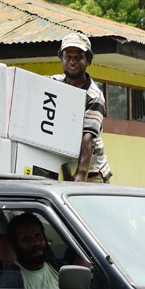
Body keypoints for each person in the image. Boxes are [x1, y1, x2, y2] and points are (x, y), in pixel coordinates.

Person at [51, 32, 112, 183]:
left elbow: (88, 138)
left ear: (88, 60)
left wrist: (80, 174)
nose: (72, 62)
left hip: (91, 172)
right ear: (61, 58)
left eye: (78, 57)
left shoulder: (94, 95)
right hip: (65, 165)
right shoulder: (53, 84)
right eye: (68, 57)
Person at [0, 213, 65, 289]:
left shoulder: (58, 267)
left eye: (38, 236)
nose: (36, 243)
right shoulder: (10, 282)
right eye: (27, 240)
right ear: (14, 245)